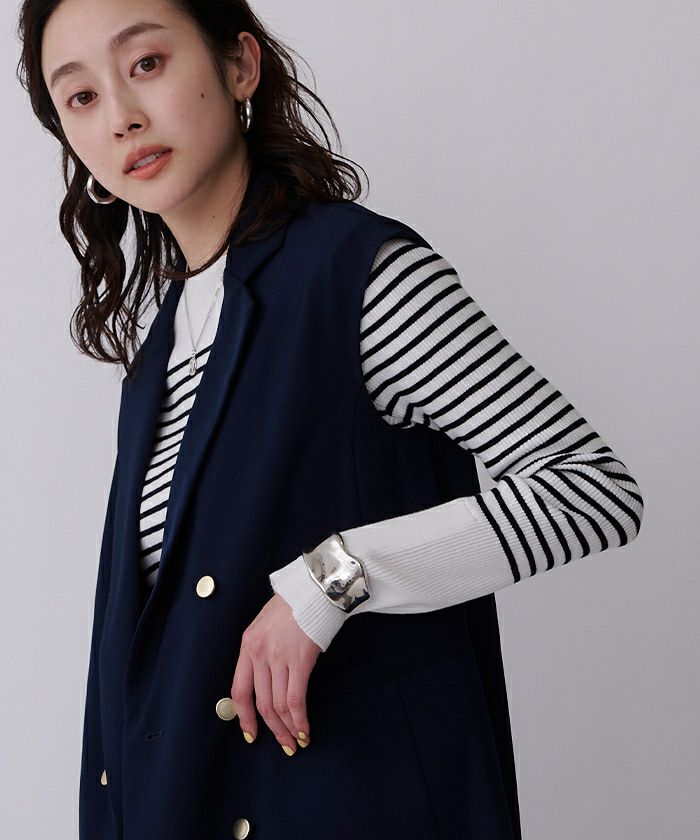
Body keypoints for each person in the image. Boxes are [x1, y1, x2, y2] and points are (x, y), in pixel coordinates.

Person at [18, 0, 645, 838]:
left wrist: (332, 580)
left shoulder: (360, 277)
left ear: (240, 66)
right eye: (81, 96)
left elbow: (591, 492)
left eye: (146, 64)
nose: (122, 115)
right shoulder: (157, 358)